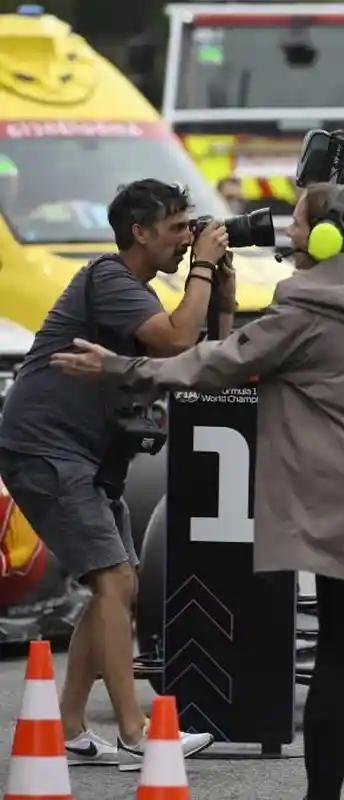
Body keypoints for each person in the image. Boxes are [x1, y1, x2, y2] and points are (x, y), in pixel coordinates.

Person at [51, 182, 344, 800]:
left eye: (300, 225)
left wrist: (123, 368)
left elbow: (211, 366)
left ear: (326, 238)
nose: (290, 234)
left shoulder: (302, 306)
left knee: (340, 652)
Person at [0, 179, 226, 767]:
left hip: (90, 458)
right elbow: (177, 341)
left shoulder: (133, 288)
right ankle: (135, 730)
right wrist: (202, 267)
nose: (186, 239)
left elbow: (202, 352)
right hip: (47, 449)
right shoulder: (109, 278)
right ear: (139, 233)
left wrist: (215, 281)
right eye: (177, 229)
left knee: (113, 588)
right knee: (114, 583)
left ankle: (69, 728)